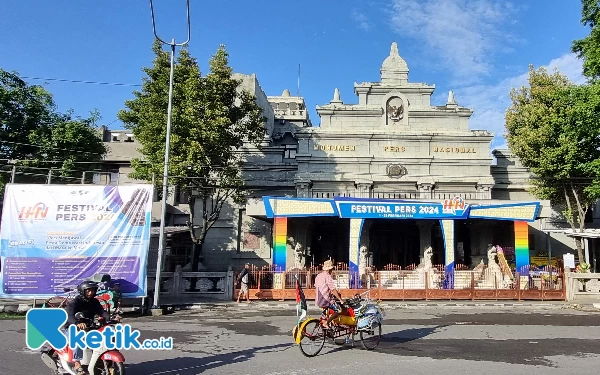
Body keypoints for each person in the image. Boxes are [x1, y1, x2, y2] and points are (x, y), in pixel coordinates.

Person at [64, 281, 112, 375]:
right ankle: (77, 363)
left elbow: (101, 311)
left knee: (103, 337)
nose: (91, 293)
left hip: (88, 326)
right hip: (72, 327)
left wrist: (109, 318)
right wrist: (77, 322)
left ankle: (99, 361)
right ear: (83, 291)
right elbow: (69, 315)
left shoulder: (94, 301)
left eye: (93, 291)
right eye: (88, 291)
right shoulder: (75, 302)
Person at [314, 259, 343, 329]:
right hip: (325, 300)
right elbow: (333, 290)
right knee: (339, 310)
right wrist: (340, 300)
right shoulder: (328, 277)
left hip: (318, 300)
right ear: (329, 269)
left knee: (326, 309)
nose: (332, 271)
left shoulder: (318, 276)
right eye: (332, 269)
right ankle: (326, 322)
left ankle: (324, 319)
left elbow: (318, 286)